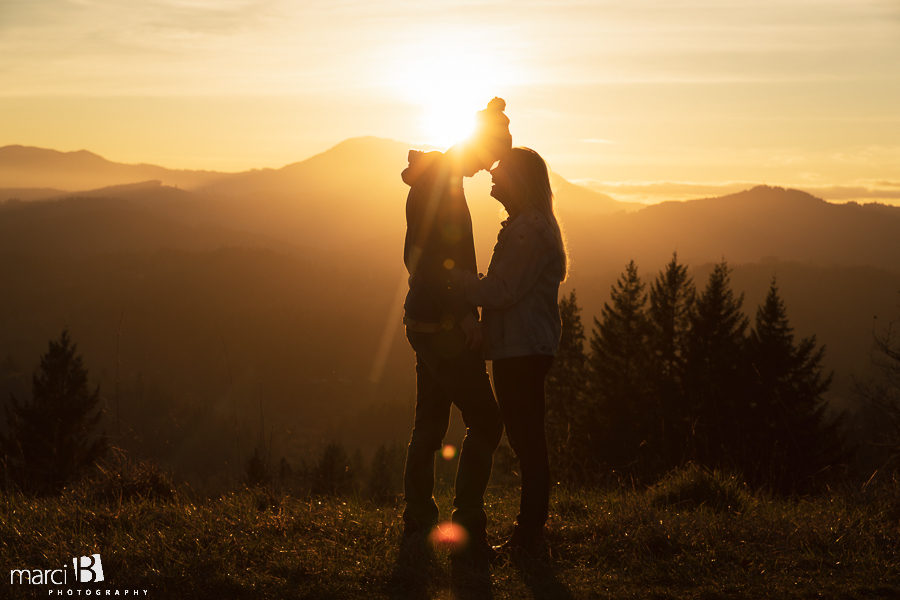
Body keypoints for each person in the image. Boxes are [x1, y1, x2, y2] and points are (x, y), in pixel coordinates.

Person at [400, 98, 511, 558]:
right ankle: (466, 524)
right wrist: (461, 311)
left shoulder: (438, 179)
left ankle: (419, 522)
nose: (490, 168)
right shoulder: (440, 184)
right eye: (491, 155)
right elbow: (427, 261)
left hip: (426, 320)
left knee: (429, 423)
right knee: (485, 419)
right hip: (440, 324)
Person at [452, 146, 567, 555]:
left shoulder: (526, 230)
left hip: (521, 350)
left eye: (502, 169)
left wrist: (459, 282)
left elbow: (502, 290)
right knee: (526, 436)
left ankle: (529, 534)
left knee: (527, 439)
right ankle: (531, 530)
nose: (492, 172)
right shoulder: (530, 225)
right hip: (521, 346)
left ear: (520, 179)